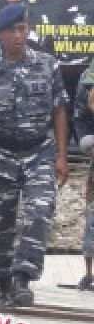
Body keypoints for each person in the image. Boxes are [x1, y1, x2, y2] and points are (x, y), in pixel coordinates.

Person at [0, 3, 68, 307]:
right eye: (13, 31)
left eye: (23, 29)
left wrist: (61, 156)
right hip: (1, 156)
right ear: (1, 35)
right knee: (1, 224)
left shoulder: (48, 66)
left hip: (39, 152)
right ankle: (6, 285)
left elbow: (59, 110)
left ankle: (24, 277)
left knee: (39, 211)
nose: (20, 36)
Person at [74, 60, 94, 291]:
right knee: (92, 221)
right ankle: (89, 274)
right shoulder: (89, 75)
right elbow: (80, 116)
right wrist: (88, 145)